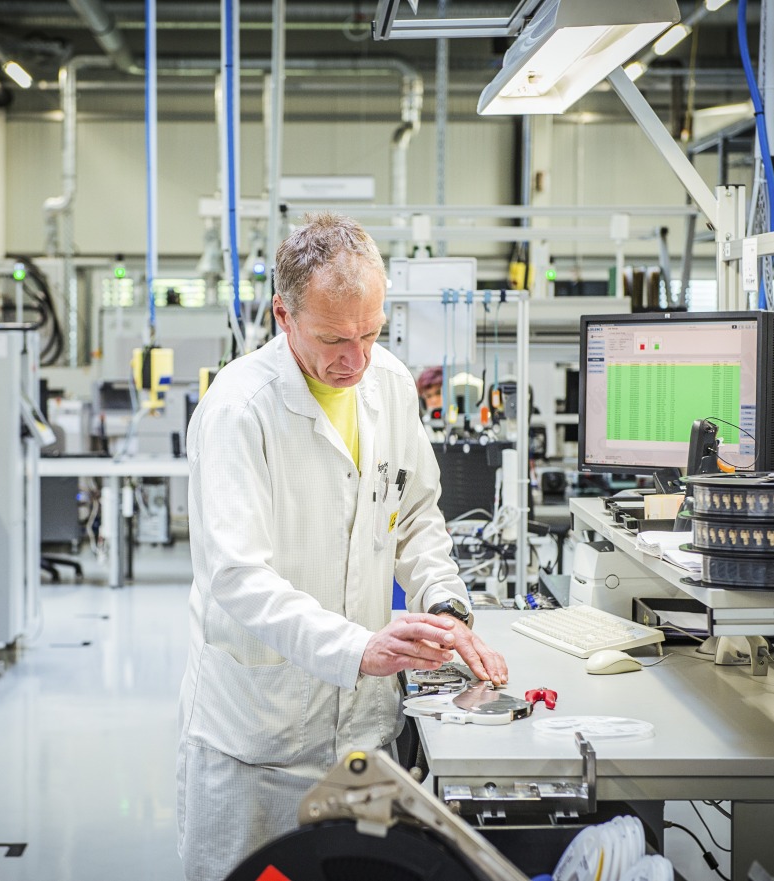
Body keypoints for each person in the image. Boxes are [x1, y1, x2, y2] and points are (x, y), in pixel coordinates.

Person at [176, 212, 509, 881]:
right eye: (333, 338)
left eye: (370, 333)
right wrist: (357, 648)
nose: (354, 359)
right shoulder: (240, 410)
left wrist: (443, 599)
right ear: (283, 315)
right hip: (259, 740)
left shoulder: (387, 384)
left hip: (363, 736)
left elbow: (415, 514)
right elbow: (237, 576)